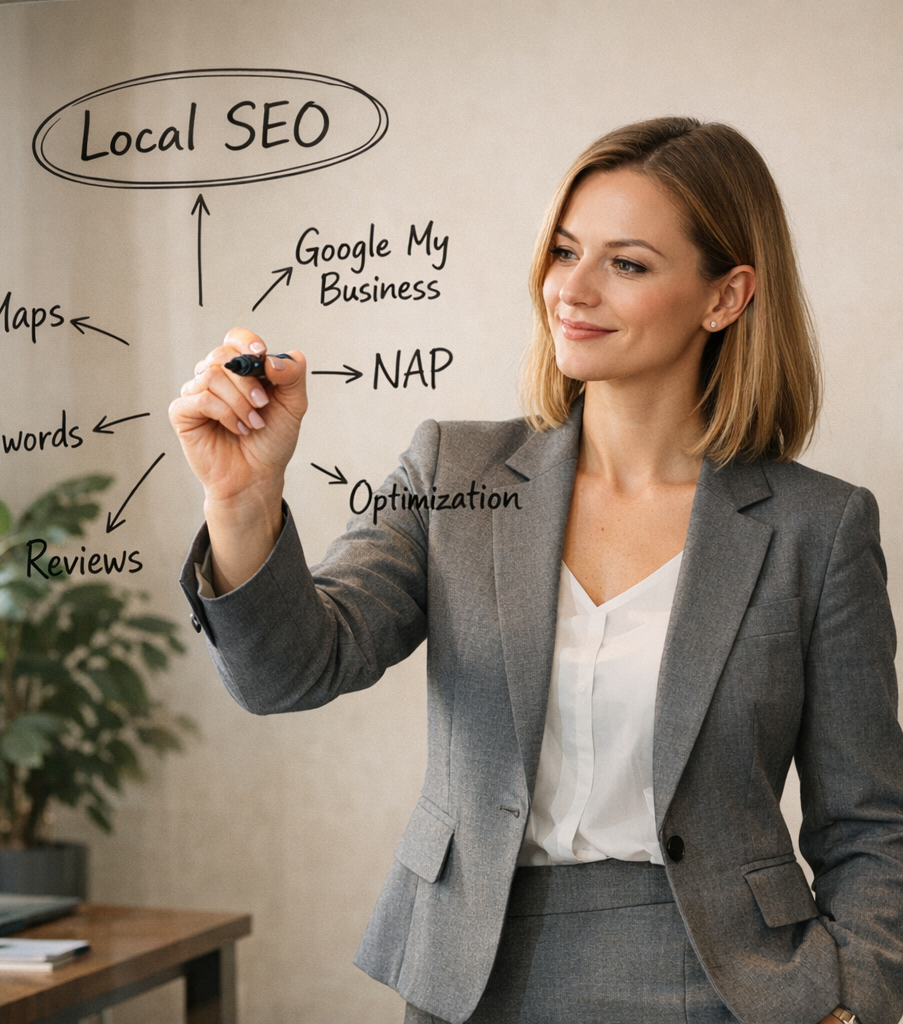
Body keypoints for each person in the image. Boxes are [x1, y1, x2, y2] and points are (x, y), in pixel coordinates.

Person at [169, 117, 903, 1024]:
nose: (572, 289)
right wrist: (243, 501)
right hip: (473, 976)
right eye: (564, 251)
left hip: (727, 985)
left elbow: (870, 825)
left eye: (626, 264)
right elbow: (291, 671)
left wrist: (856, 1006)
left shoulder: (818, 528)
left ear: (726, 296)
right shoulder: (453, 473)